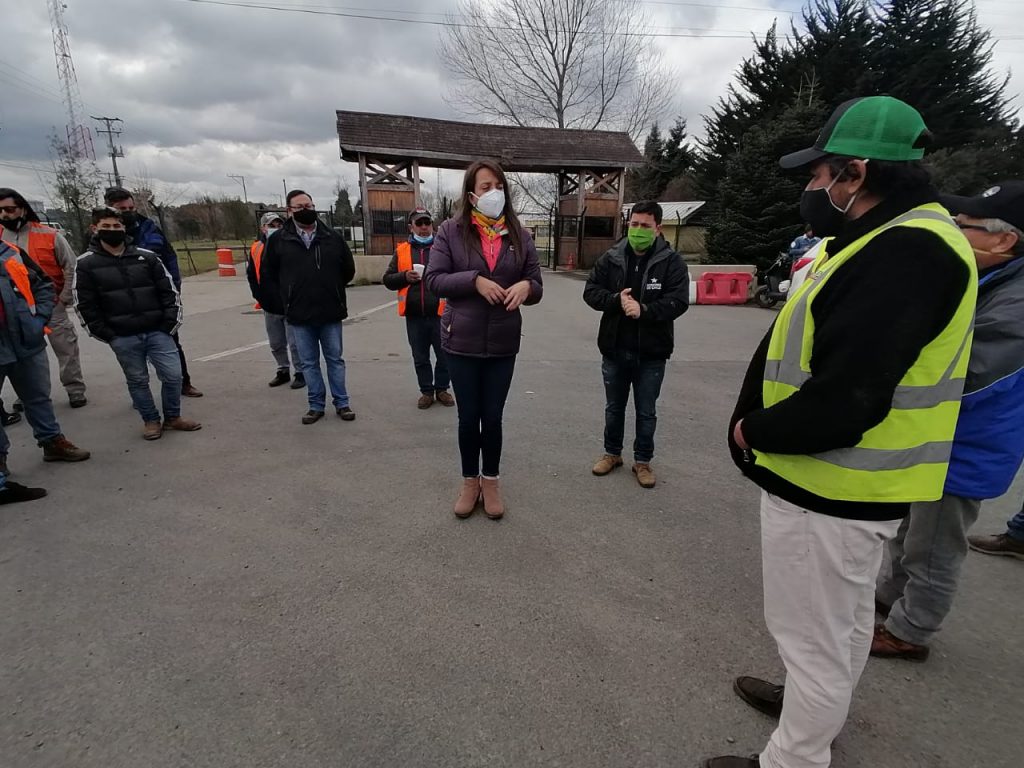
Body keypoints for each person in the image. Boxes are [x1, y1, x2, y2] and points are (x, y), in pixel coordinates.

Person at [709, 96, 977, 768]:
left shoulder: (908, 251)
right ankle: (811, 709)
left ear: (855, 173)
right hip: (843, 485)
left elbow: (848, 397)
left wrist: (753, 432)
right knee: (844, 626)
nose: (810, 188)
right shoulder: (890, 238)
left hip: (830, 483)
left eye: (818, 173)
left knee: (815, 638)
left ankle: (795, 757)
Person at [873, 180, 1024, 661]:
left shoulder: (1019, 302)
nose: (955, 231)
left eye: (965, 227)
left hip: (968, 443)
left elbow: (973, 371)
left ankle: (910, 630)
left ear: (1005, 239)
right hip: (939, 435)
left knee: (934, 544)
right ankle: (892, 595)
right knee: (910, 528)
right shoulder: (994, 280)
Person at [425, 160, 543, 520]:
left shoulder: (520, 235)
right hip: (461, 339)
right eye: (485, 187)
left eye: (497, 186)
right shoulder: (451, 231)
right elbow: (434, 279)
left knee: (492, 417)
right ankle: (469, 481)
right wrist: (474, 279)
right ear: (471, 193)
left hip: (503, 342)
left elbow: (536, 284)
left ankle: (490, 480)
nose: (493, 193)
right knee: (468, 417)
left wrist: (526, 286)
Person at [584, 200, 689, 489]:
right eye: (634, 224)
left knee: (646, 410)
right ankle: (612, 454)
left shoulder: (672, 262)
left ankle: (642, 461)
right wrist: (616, 301)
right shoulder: (612, 257)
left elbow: (679, 302)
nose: (638, 230)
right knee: (614, 408)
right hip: (615, 348)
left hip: (652, 352)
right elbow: (591, 292)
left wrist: (646, 311)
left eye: (645, 225)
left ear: (658, 228)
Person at [74, 208, 201, 441]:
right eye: (106, 226)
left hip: (158, 331)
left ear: (124, 228)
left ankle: (173, 417)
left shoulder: (147, 257)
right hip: (122, 336)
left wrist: (168, 324)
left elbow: (169, 291)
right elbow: (84, 304)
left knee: (173, 376)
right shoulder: (86, 264)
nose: (112, 231)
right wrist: (108, 334)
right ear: (95, 229)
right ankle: (151, 420)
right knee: (138, 380)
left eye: (116, 226)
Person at [260, 190, 356, 424]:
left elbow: (348, 270)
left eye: (310, 205)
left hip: (330, 311)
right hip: (299, 315)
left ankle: (342, 403)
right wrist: (285, 301)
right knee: (309, 362)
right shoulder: (278, 240)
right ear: (290, 210)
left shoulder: (332, 237)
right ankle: (315, 405)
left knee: (335, 359)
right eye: (301, 206)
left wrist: (330, 289)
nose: (307, 209)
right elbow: (269, 276)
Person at [0, 239, 90, 474]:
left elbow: (42, 284)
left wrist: (38, 319)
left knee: (37, 397)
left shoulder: (12, 252)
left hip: (25, 339)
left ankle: (52, 442)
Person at [104, 187, 203, 398]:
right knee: (134, 356)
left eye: (131, 207)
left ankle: (183, 383)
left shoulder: (149, 228)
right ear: (110, 208)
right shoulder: (103, 236)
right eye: (122, 209)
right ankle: (142, 398)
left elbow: (170, 259)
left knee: (171, 343)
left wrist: (174, 289)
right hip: (124, 306)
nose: (128, 212)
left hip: (157, 299)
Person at [0, 188, 88, 408]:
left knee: (65, 347)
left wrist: (65, 297)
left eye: (9, 209)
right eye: (0, 210)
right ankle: (28, 394)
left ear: (22, 209)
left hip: (51, 302)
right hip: (15, 310)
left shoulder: (49, 235)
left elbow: (71, 266)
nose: (4, 214)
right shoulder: (0, 238)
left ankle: (74, 389)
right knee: (23, 356)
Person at [382, 207, 454, 409]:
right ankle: (426, 392)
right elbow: (387, 280)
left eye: (427, 223)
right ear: (411, 226)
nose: (424, 227)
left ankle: (442, 389)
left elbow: (455, 276)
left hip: (441, 314)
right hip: (414, 316)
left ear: (433, 225)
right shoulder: (402, 251)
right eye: (419, 223)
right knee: (420, 357)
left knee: (444, 355)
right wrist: (404, 277)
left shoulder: (443, 248)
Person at [246, 212, 303, 389]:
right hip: (270, 304)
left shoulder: (290, 245)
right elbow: (252, 276)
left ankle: (300, 372)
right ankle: (282, 370)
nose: (276, 229)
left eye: (279, 225)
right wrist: (259, 297)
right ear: (263, 228)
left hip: (291, 304)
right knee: (276, 342)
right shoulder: (256, 248)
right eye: (271, 225)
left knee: (295, 343)